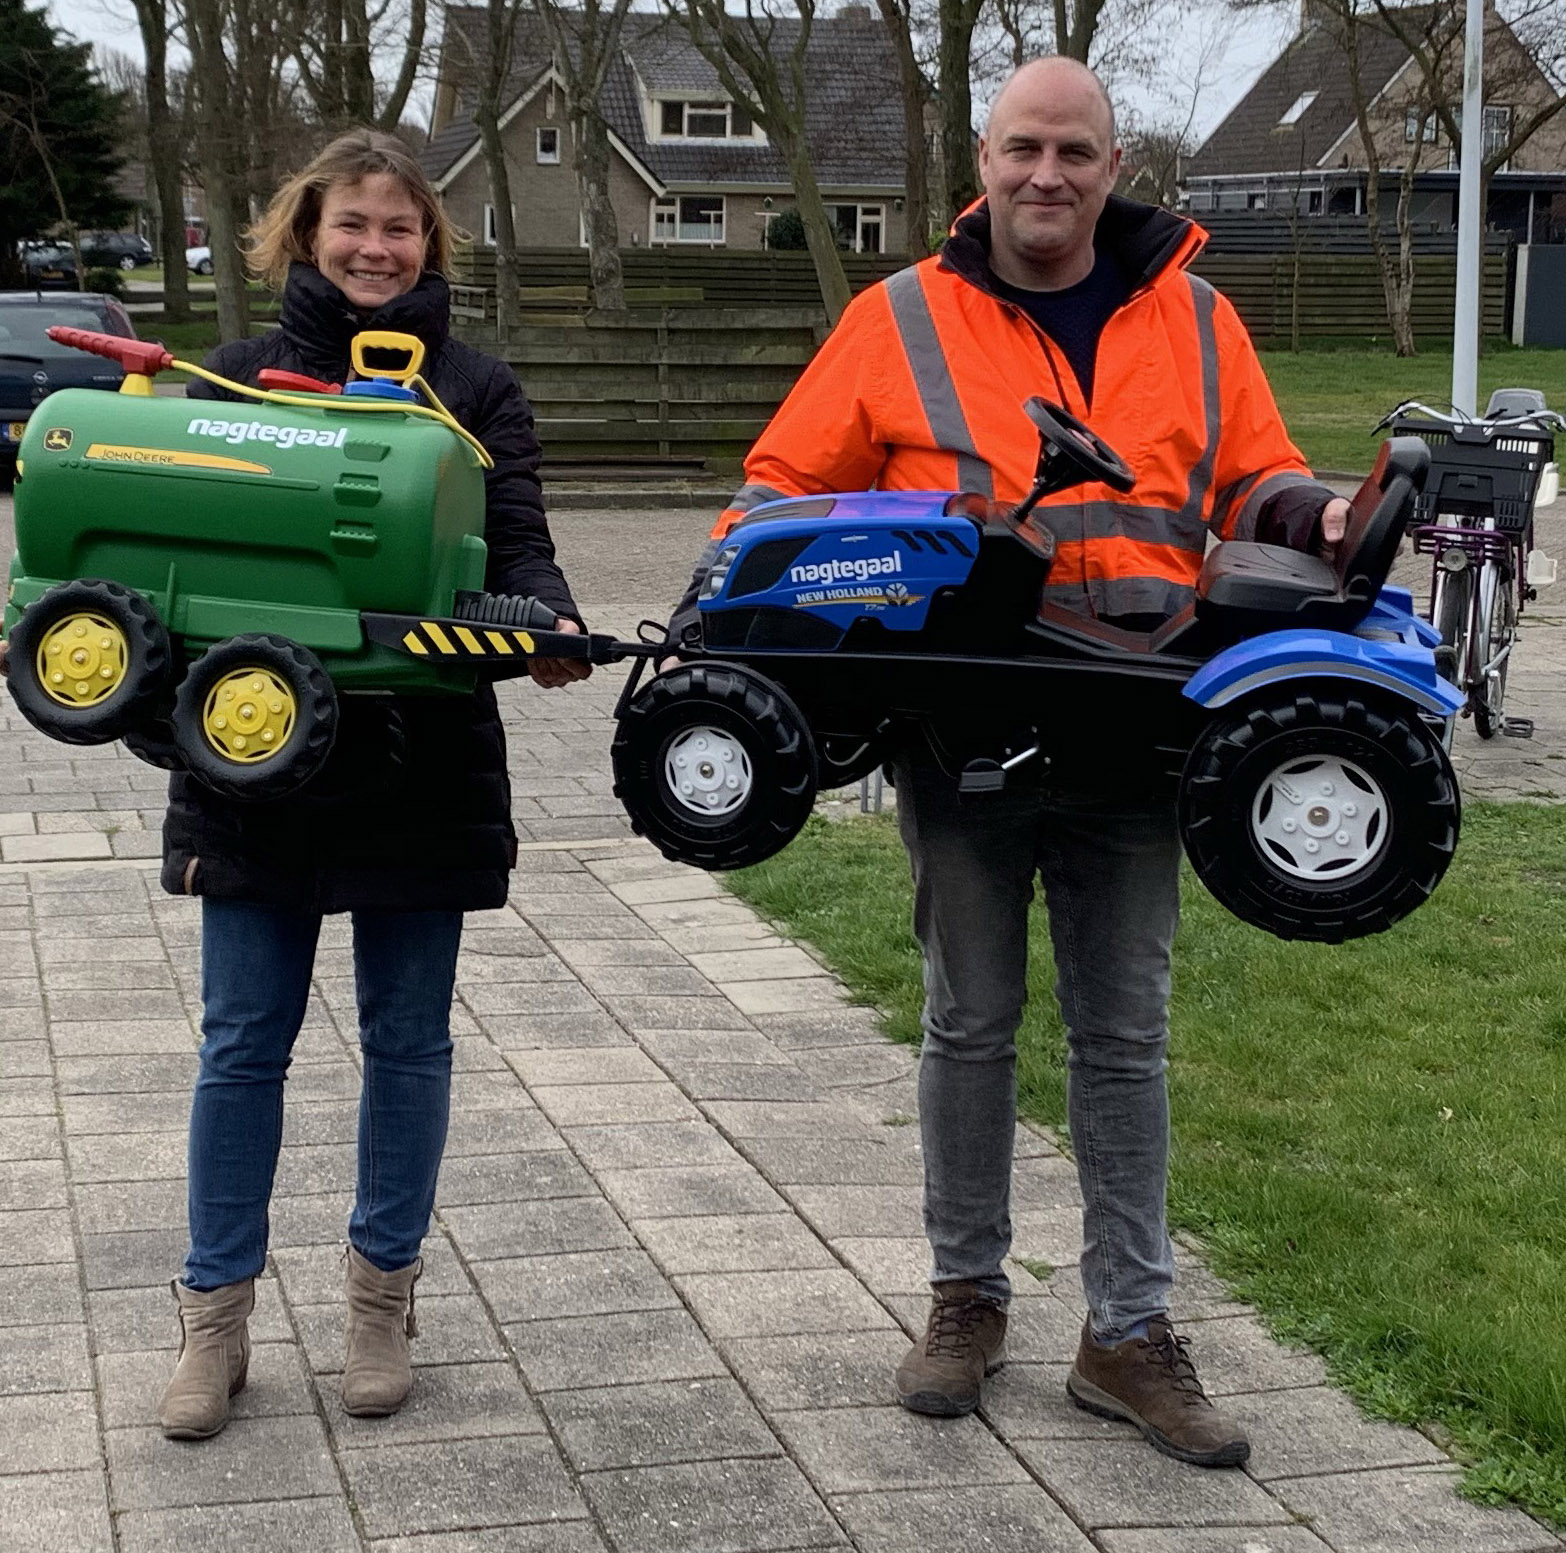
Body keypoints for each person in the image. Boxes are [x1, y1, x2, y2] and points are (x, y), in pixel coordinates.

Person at [668, 58, 1350, 1469]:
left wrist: (1322, 510)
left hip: (1144, 715)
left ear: (1114, 165)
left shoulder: (1200, 317)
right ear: (980, 161)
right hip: (962, 722)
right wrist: (800, 576)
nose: (1048, 176)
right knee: (968, 1019)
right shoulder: (895, 319)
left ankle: (1128, 1333)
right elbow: (778, 487)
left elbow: (1256, 481)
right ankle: (964, 1297)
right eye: (1023, 149)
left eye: (1075, 152)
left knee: (1124, 1033)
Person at [140, 130, 589, 1439]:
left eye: (399, 227)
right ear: (305, 233)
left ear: (429, 245)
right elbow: (179, 556)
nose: (375, 247)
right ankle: (212, 1321)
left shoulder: (479, 390)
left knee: (407, 1043)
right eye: (352, 224)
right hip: (255, 772)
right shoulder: (230, 381)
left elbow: (522, 544)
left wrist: (549, 625)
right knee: (240, 1044)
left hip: (421, 763)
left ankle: (381, 1305)